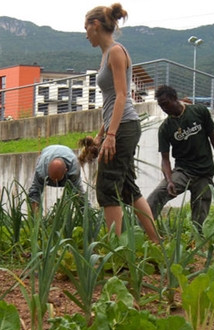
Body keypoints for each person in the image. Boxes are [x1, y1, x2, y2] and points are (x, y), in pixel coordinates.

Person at [84, 3, 159, 243]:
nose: (85, 34)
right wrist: (101, 135)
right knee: (127, 187)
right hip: (120, 126)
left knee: (107, 187)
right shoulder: (106, 54)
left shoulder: (116, 52)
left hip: (124, 127)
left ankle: (113, 251)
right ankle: (157, 243)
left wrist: (112, 135)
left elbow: (122, 95)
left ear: (95, 25)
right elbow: (109, 102)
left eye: (86, 28)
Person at [147, 85, 214, 231]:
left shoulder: (199, 112)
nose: (164, 108)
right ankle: (144, 230)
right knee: (156, 196)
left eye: (166, 104)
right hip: (183, 172)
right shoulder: (165, 128)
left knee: (200, 216)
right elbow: (165, 159)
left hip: (204, 173)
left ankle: (197, 243)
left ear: (175, 98)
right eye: (161, 106)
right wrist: (169, 181)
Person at [28, 145, 84, 212]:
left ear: (66, 171)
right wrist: (36, 218)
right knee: (34, 193)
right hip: (47, 152)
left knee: (78, 195)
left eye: (58, 180)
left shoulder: (74, 170)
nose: (55, 182)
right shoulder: (41, 170)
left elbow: (79, 194)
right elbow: (34, 193)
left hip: (68, 152)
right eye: (52, 179)